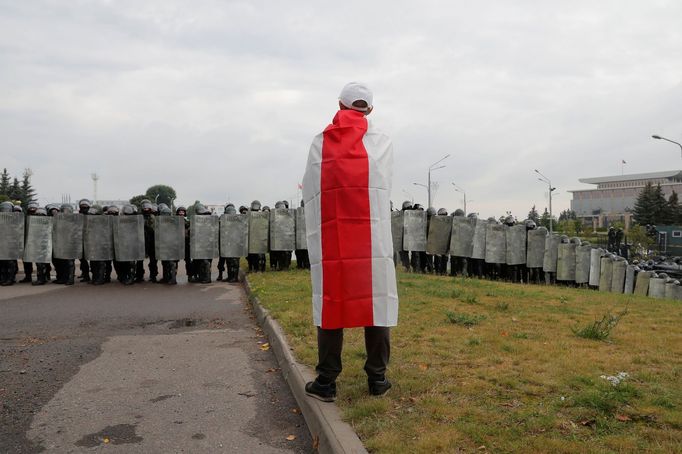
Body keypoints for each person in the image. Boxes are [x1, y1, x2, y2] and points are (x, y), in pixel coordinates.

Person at [302, 82, 398, 401]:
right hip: (372, 240)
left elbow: (313, 192)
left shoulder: (321, 142)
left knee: (332, 300)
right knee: (377, 300)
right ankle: (377, 379)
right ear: (369, 109)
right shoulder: (381, 142)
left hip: (334, 241)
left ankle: (327, 381)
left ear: (340, 105)